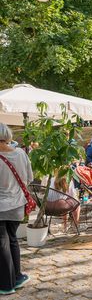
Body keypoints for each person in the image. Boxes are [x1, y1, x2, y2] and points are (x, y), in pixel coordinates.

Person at [0, 123, 32, 294]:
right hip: (18, 204)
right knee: (12, 239)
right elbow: (29, 178)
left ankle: (6, 285)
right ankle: (17, 276)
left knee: (3, 243)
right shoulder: (21, 153)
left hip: (1, 206)